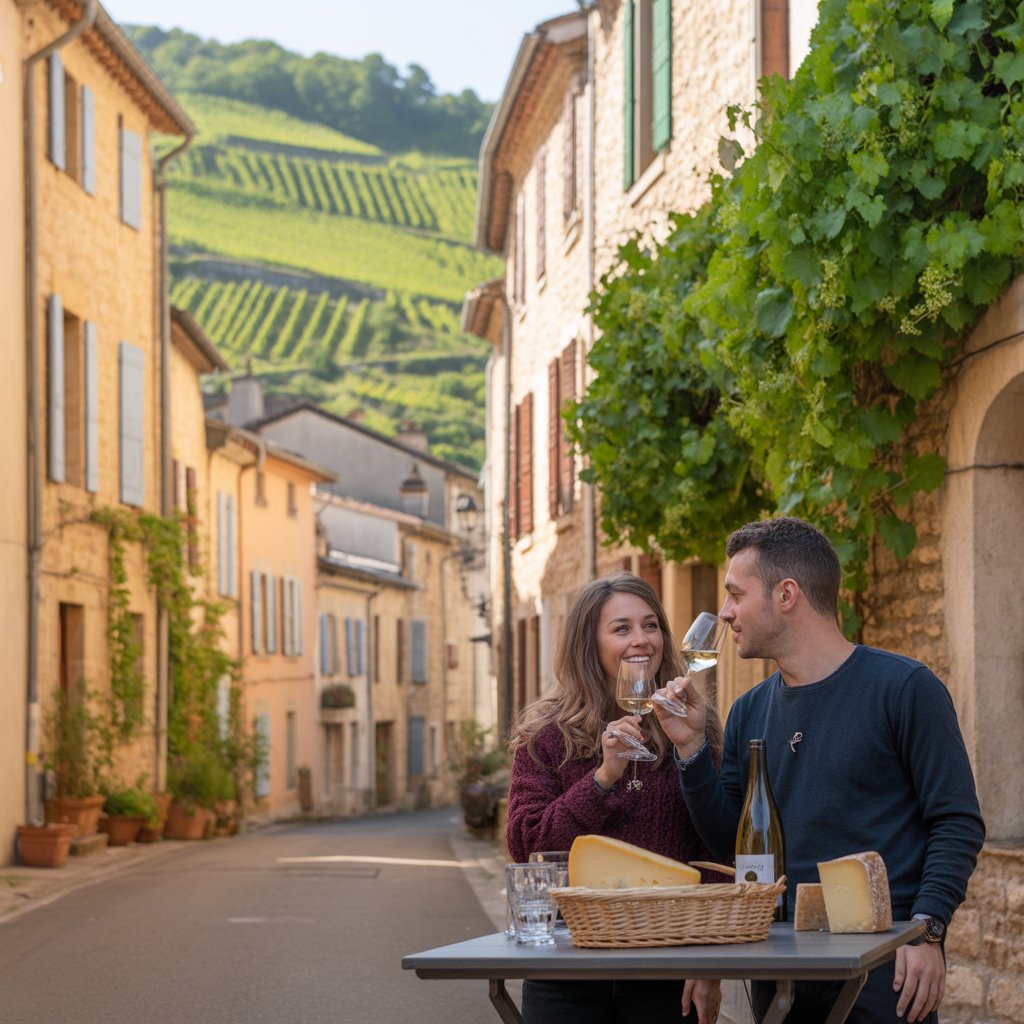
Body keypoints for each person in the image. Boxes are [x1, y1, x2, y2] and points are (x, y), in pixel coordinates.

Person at [655, 517, 985, 1024]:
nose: (724, 613)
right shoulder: (748, 710)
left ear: (786, 594)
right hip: (779, 968)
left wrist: (927, 931)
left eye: (736, 595)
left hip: (883, 969)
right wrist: (693, 748)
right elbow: (730, 843)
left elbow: (956, 822)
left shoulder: (904, 689)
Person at [506, 573, 725, 1024]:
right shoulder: (546, 737)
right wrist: (603, 778)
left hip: (669, 963)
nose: (641, 640)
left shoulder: (694, 726)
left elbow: (717, 849)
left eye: (651, 625)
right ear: (590, 642)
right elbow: (528, 846)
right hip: (567, 963)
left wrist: (710, 959)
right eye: (621, 628)